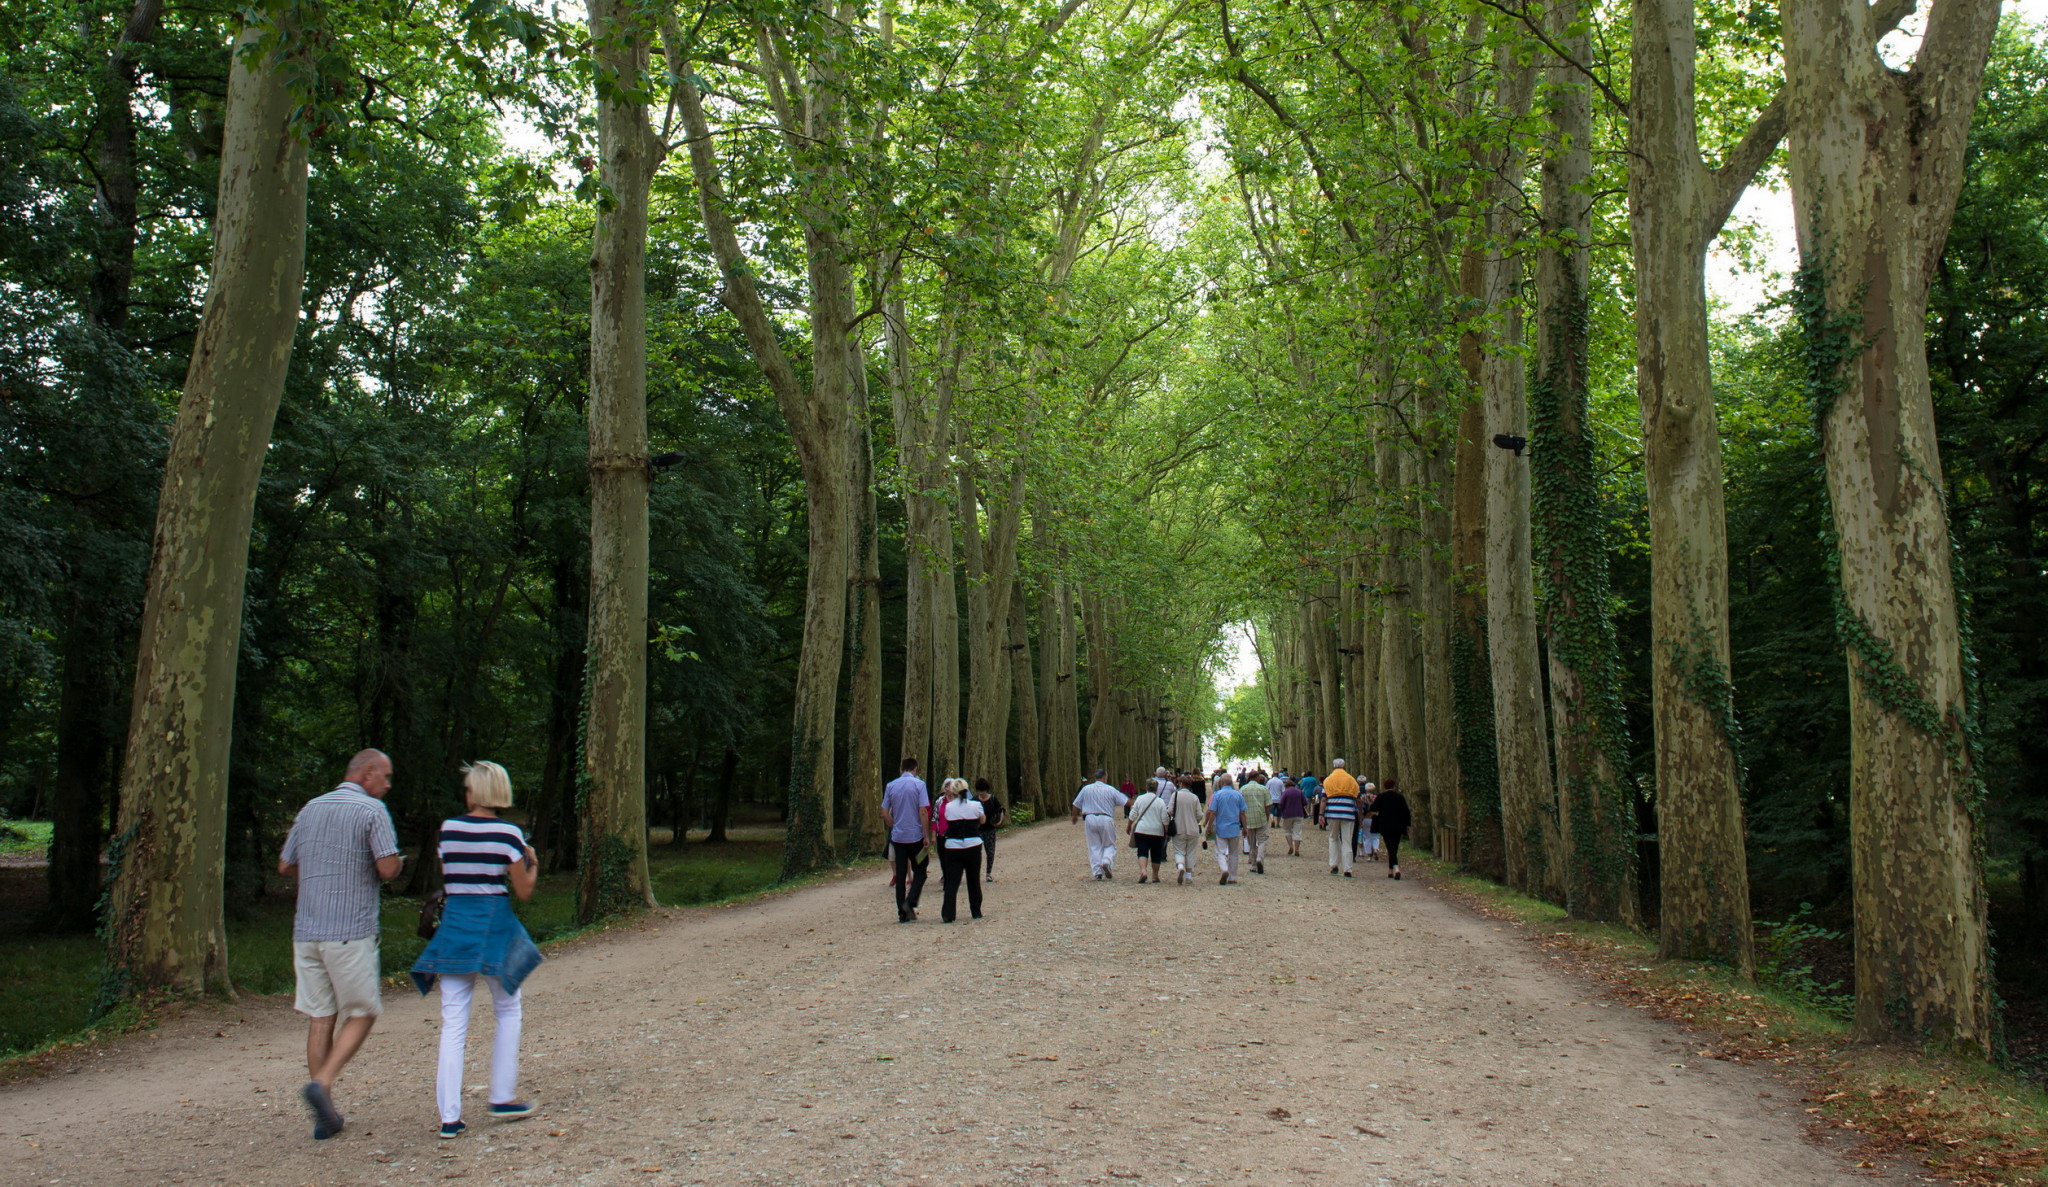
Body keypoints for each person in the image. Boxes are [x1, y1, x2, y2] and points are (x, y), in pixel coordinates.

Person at [410, 760, 543, 1140]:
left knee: (453, 1023)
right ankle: (501, 1097)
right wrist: (532, 862)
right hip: (494, 928)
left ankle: (449, 1118)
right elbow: (524, 891)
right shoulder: (508, 834)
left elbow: (451, 875)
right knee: (507, 1010)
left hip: (455, 930)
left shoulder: (448, 830)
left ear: (475, 791)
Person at [278, 748, 403, 1141]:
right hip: (349, 929)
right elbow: (385, 867)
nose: (387, 784)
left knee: (321, 1016)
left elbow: (286, 864)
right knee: (364, 1011)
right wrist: (400, 863)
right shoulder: (371, 812)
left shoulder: (310, 808)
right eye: (385, 776)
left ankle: (324, 1114)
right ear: (367, 773)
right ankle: (324, 1083)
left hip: (307, 931)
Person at [880, 758, 931, 922]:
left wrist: (893, 826)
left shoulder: (891, 786)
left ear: (901, 769)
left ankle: (902, 913)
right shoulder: (919, 785)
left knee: (901, 874)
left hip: (898, 837)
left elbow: (884, 813)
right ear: (915, 769)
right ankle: (910, 901)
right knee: (921, 870)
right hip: (915, 836)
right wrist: (926, 834)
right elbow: (923, 811)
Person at [934, 778, 986, 921]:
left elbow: (947, 819)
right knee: (973, 879)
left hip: (953, 846)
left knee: (952, 881)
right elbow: (982, 820)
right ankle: (976, 911)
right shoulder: (976, 805)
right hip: (973, 845)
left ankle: (948, 914)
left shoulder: (950, 807)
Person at [1071, 770, 1128, 880]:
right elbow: (1125, 801)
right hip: (1106, 818)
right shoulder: (1110, 789)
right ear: (1105, 777)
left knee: (1094, 846)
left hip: (1090, 818)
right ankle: (1106, 861)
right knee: (1109, 843)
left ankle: (1097, 872)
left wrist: (1074, 816)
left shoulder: (1086, 789)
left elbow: (1076, 804)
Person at [1127, 774, 1173, 883]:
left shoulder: (1140, 799)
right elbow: (1165, 819)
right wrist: (1167, 832)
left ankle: (1143, 871)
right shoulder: (1160, 801)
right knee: (1156, 853)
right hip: (1157, 831)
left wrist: (1129, 826)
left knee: (1142, 851)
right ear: (1157, 789)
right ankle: (1155, 876)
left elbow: (1133, 814)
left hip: (1142, 830)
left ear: (1146, 787)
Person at [1322, 758, 1361, 876]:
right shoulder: (1351, 780)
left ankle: (1334, 864)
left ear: (1333, 766)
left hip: (1332, 813)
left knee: (1333, 838)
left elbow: (1324, 799)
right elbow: (1358, 799)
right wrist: (1360, 813)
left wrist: (1320, 814)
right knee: (1347, 840)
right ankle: (1347, 868)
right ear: (1344, 766)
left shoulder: (1328, 780)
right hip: (1348, 812)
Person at [1206, 775, 1247, 885]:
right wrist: (1245, 827)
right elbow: (1242, 813)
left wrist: (1209, 826)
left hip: (1221, 828)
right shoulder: (1238, 795)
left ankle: (1224, 869)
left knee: (1221, 851)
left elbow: (1212, 812)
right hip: (1234, 827)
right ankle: (1232, 877)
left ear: (1221, 783)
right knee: (1233, 853)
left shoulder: (1217, 795)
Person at [1165, 776, 1204, 884]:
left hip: (1178, 828)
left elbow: (1170, 811)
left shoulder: (1175, 795)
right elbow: (1200, 815)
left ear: (1181, 784)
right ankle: (1188, 876)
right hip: (1193, 829)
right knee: (1191, 852)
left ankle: (1181, 866)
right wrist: (1193, 819)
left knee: (1179, 850)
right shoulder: (1194, 797)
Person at [1371, 778, 1413, 880]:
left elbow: (1373, 808)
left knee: (1390, 847)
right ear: (1394, 786)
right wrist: (1407, 825)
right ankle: (1391, 870)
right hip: (1398, 826)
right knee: (1394, 847)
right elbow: (1406, 812)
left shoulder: (1381, 797)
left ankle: (1396, 868)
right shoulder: (1399, 797)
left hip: (1385, 825)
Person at [974, 778, 1006, 883]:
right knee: (975, 853)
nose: (981, 793)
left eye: (983, 791)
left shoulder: (993, 799)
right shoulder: (974, 800)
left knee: (990, 852)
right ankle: (975, 873)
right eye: (979, 791)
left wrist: (999, 822)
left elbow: (1001, 810)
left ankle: (988, 873)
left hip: (990, 830)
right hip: (977, 830)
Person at [1240, 771, 1273, 875]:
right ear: (1257, 777)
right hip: (1261, 817)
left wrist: (1242, 821)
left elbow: (1240, 807)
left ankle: (1254, 864)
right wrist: (1267, 818)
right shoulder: (1263, 789)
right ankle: (1260, 858)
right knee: (1262, 840)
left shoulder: (1243, 789)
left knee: (1251, 842)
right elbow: (1268, 805)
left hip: (1248, 818)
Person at [1275, 775, 1307, 857]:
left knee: (1287, 831)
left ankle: (1290, 846)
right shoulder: (1299, 792)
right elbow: (1305, 802)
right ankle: (1297, 849)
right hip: (1298, 814)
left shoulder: (1286, 792)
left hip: (1287, 814)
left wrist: (1282, 810)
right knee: (1297, 832)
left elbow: (1281, 803)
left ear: (1287, 786)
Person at [1358, 783, 1383, 863]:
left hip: (1366, 819)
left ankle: (1369, 856)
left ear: (1366, 789)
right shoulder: (1378, 798)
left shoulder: (1363, 797)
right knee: (1375, 836)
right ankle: (1375, 849)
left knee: (1366, 837)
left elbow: (1360, 810)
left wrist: (1360, 820)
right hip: (1376, 818)